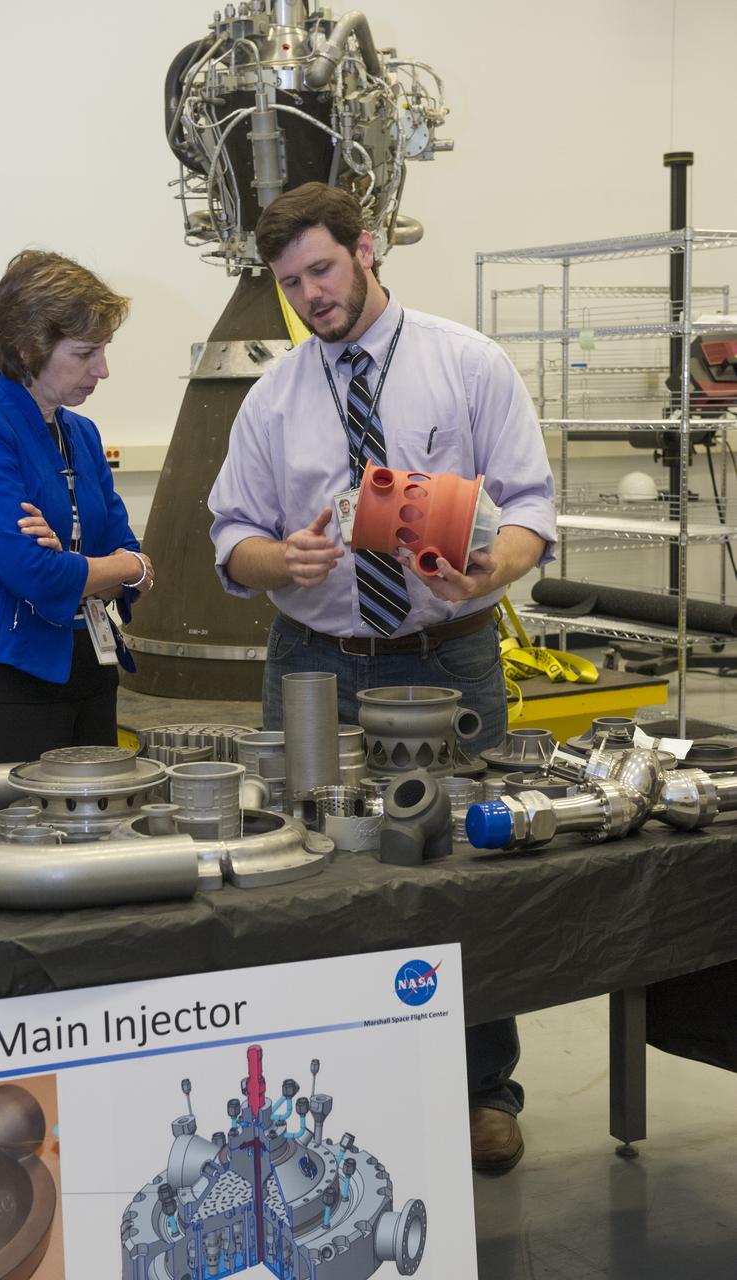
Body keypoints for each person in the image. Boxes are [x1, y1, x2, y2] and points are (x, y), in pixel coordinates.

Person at [209, 182, 557, 1173]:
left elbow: (529, 502)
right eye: (290, 283)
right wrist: (282, 562)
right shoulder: (274, 395)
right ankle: (322, 1091)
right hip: (315, 664)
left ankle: (480, 1085)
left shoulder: (465, 363)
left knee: (469, 871)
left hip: (449, 653)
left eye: (320, 269)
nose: (310, 295)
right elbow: (229, 535)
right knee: (306, 875)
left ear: (366, 249)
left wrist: (496, 564)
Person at [0, 250, 155, 766]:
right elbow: (34, 573)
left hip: (92, 675)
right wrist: (115, 569)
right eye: (85, 353)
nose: (102, 370)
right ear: (27, 348)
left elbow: (134, 558)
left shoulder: (81, 433)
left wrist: (96, 566)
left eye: (102, 350)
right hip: (9, 685)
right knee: (8, 838)